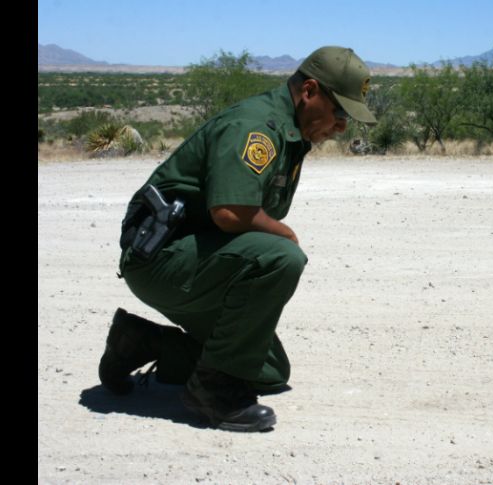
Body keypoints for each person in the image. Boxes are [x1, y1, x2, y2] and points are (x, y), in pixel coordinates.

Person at [98, 46, 377, 432]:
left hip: (197, 257)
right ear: (310, 90)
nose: (343, 126)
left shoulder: (288, 129)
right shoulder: (257, 126)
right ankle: (213, 394)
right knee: (281, 256)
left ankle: (141, 341)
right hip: (160, 258)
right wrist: (287, 235)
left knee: (267, 370)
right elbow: (231, 213)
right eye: (341, 112)